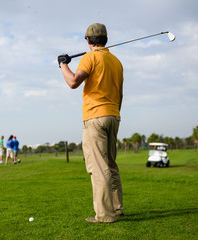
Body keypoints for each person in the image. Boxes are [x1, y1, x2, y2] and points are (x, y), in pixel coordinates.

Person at [58, 23, 124, 223]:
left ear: (88, 40)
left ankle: (104, 215)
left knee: (98, 166)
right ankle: (117, 208)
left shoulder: (90, 57)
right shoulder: (116, 61)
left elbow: (73, 82)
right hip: (114, 115)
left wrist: (63, 64)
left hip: (95, 117)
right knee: (111, 164)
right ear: (106, 39)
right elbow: (120, 94)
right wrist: (114, 113)